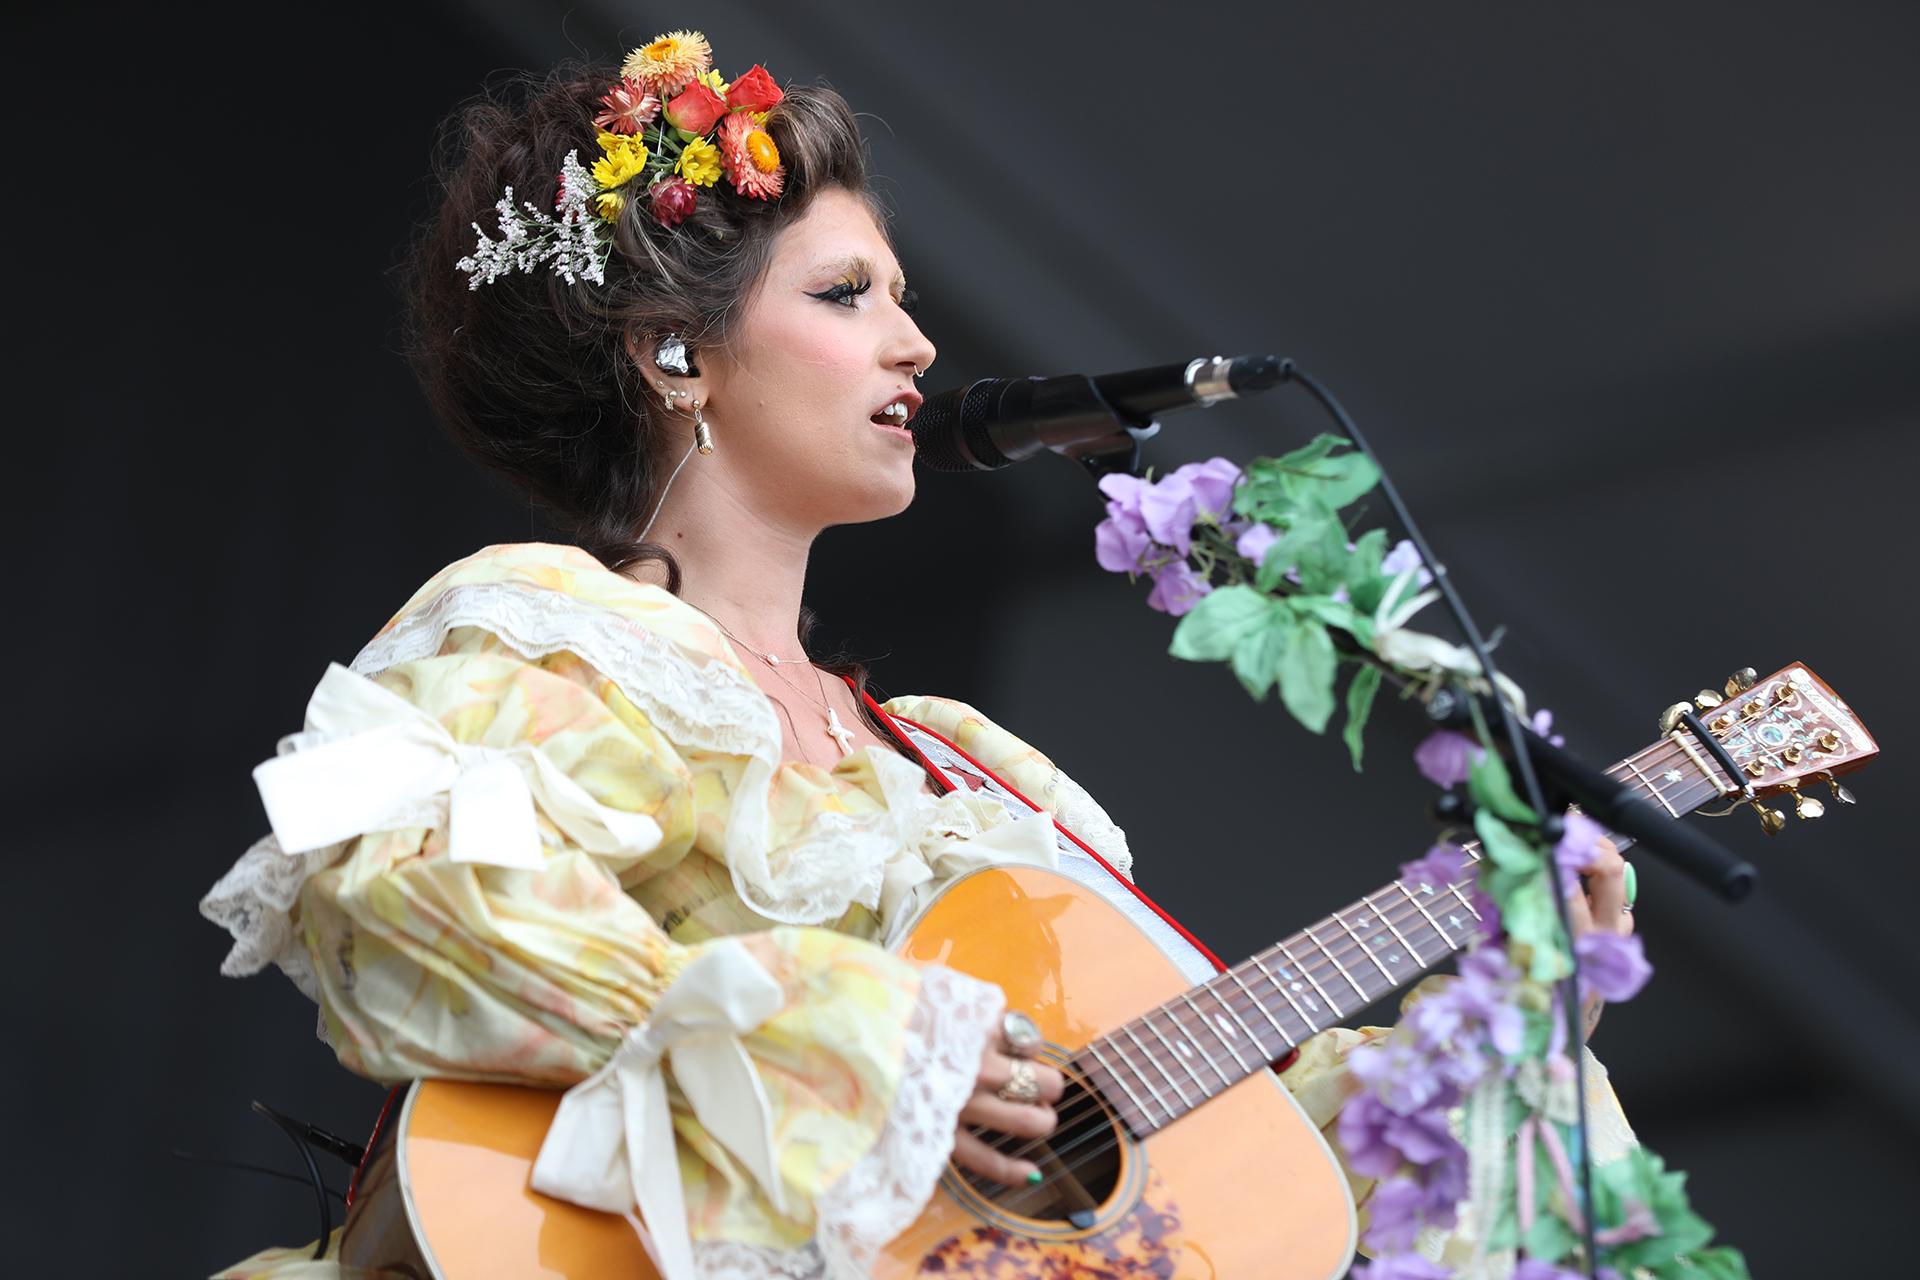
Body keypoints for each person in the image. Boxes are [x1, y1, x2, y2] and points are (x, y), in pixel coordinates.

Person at [201, 32, 1637, 1279]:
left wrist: (1503, 1011)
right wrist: (863, 1052)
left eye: (898, 297)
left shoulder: (971, 770)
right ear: (673, 354)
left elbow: (1228, 1149)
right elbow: (385, 887)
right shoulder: (529, 626)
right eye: (846, 296)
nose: (917, 344)